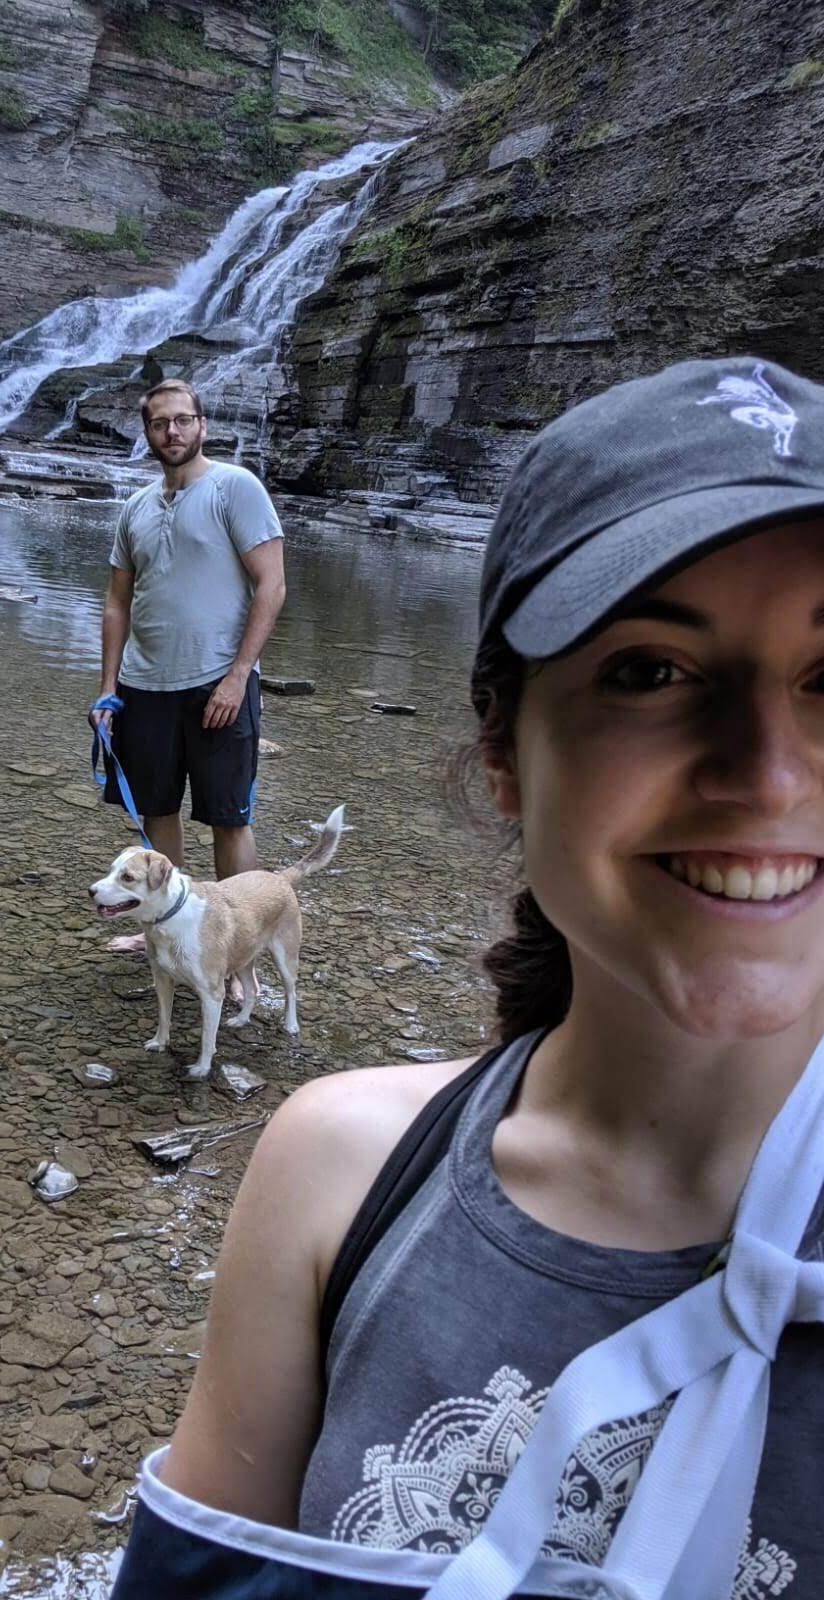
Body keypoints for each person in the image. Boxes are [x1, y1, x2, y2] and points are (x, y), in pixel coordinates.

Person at [110, 356, 824, 1598]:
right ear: (502, 754)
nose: (765, 777)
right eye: (651, 670)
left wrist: (236, 670)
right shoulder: (336, 1175)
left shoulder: (233, 495)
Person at [94, 378, 286, 955]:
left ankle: (235, 943)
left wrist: (236, 676)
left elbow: (271, 586)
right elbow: (116, 602)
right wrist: (107, 690)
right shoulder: (134, 507)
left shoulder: (236, 488)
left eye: (183, 420)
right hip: (143, 686)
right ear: (147, 432)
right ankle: (163, 932)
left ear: (202, 425)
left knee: (228, 817)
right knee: (157, 811)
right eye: (159, 423)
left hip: (217, 684)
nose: (172, 431)